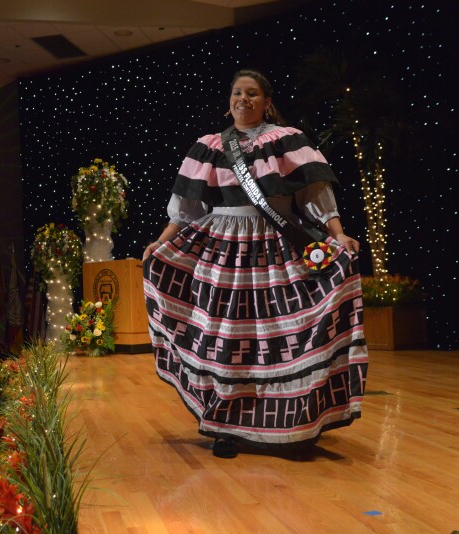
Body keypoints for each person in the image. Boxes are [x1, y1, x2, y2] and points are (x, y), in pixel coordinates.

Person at [142, 69, 367, 459]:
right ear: (228, 101)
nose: (242, 99)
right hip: (223, 249)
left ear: (267, 101)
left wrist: (337, 234)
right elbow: (186, 210)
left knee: (280, 335)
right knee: (227, 336)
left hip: (277, 245)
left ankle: (291, 427)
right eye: (236, 93)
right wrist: (160, 243)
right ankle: (225, 427)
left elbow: (316, 192)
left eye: (251, 93)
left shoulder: (286, 139)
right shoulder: (209, 146)